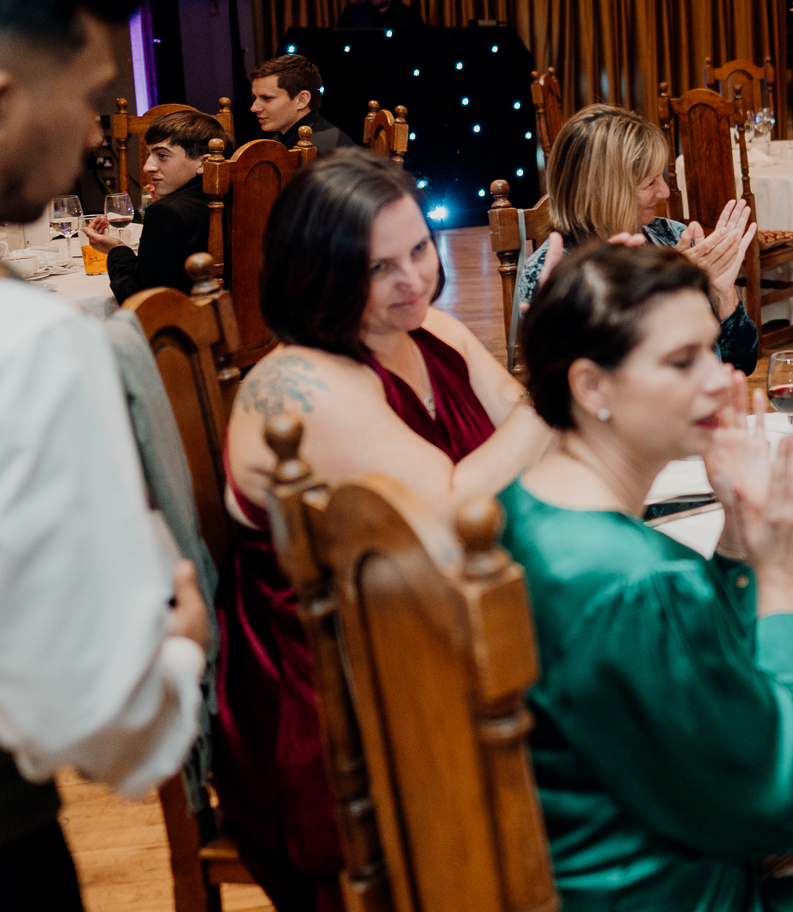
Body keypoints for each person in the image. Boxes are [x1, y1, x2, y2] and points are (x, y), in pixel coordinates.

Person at [504, 241, 793, 910]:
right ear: (591, 387)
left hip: (594, 848)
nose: (721, 379)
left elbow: (674, 691)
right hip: (667, 889)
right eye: (683, 362)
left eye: (713, 351)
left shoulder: (520, 509)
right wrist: (782, 580)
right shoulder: (641, 582)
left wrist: (740, 540)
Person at [0, 0, 208, 907]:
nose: (97, 132)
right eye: (87, 100)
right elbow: (85, 713)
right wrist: (175, 648)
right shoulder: (6, 337)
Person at [219, 151, 554, 911]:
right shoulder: (299, 382)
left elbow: (520, 430)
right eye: (378, 269)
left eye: (419, 250)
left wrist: (544, 404)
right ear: (318, 274)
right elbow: (451, 506)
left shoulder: (428, 330)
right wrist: (558, 386)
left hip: (421, 620)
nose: (413, 280)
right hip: (333, 695)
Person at [515, 103, 760, 374]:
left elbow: (741, 363)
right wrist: (665, 297)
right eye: (650, 183)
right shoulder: (552, 274)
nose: (665, 192)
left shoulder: (672, 237)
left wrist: (722, 294)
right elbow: (579, 390)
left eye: (661, 178)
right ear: (605, 192)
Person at [83, 107, 218, 303]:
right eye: (149, 154)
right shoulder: (225, 197)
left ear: (202, 164)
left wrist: (117, 250)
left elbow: (140, 300)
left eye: (162, 155)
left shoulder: (167, 212)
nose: (147, 167)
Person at [250, 53, 352, 154]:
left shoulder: (326, 152)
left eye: (267, 98)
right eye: (256, 97)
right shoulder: (279, 137)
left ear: (302, 100)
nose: (254, 108)